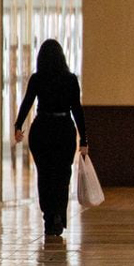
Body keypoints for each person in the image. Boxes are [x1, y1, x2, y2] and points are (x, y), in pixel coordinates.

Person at [14, 39, 89, 237]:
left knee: (45, 174)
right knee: (63, 175)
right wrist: (84, 140)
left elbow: (27, 103)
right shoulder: (70, 79)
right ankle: (58, 215)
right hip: (64, 129)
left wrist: (18, 125)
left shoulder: (37, 79)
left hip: (42, 129)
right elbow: (77, 110)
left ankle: (48, 216)